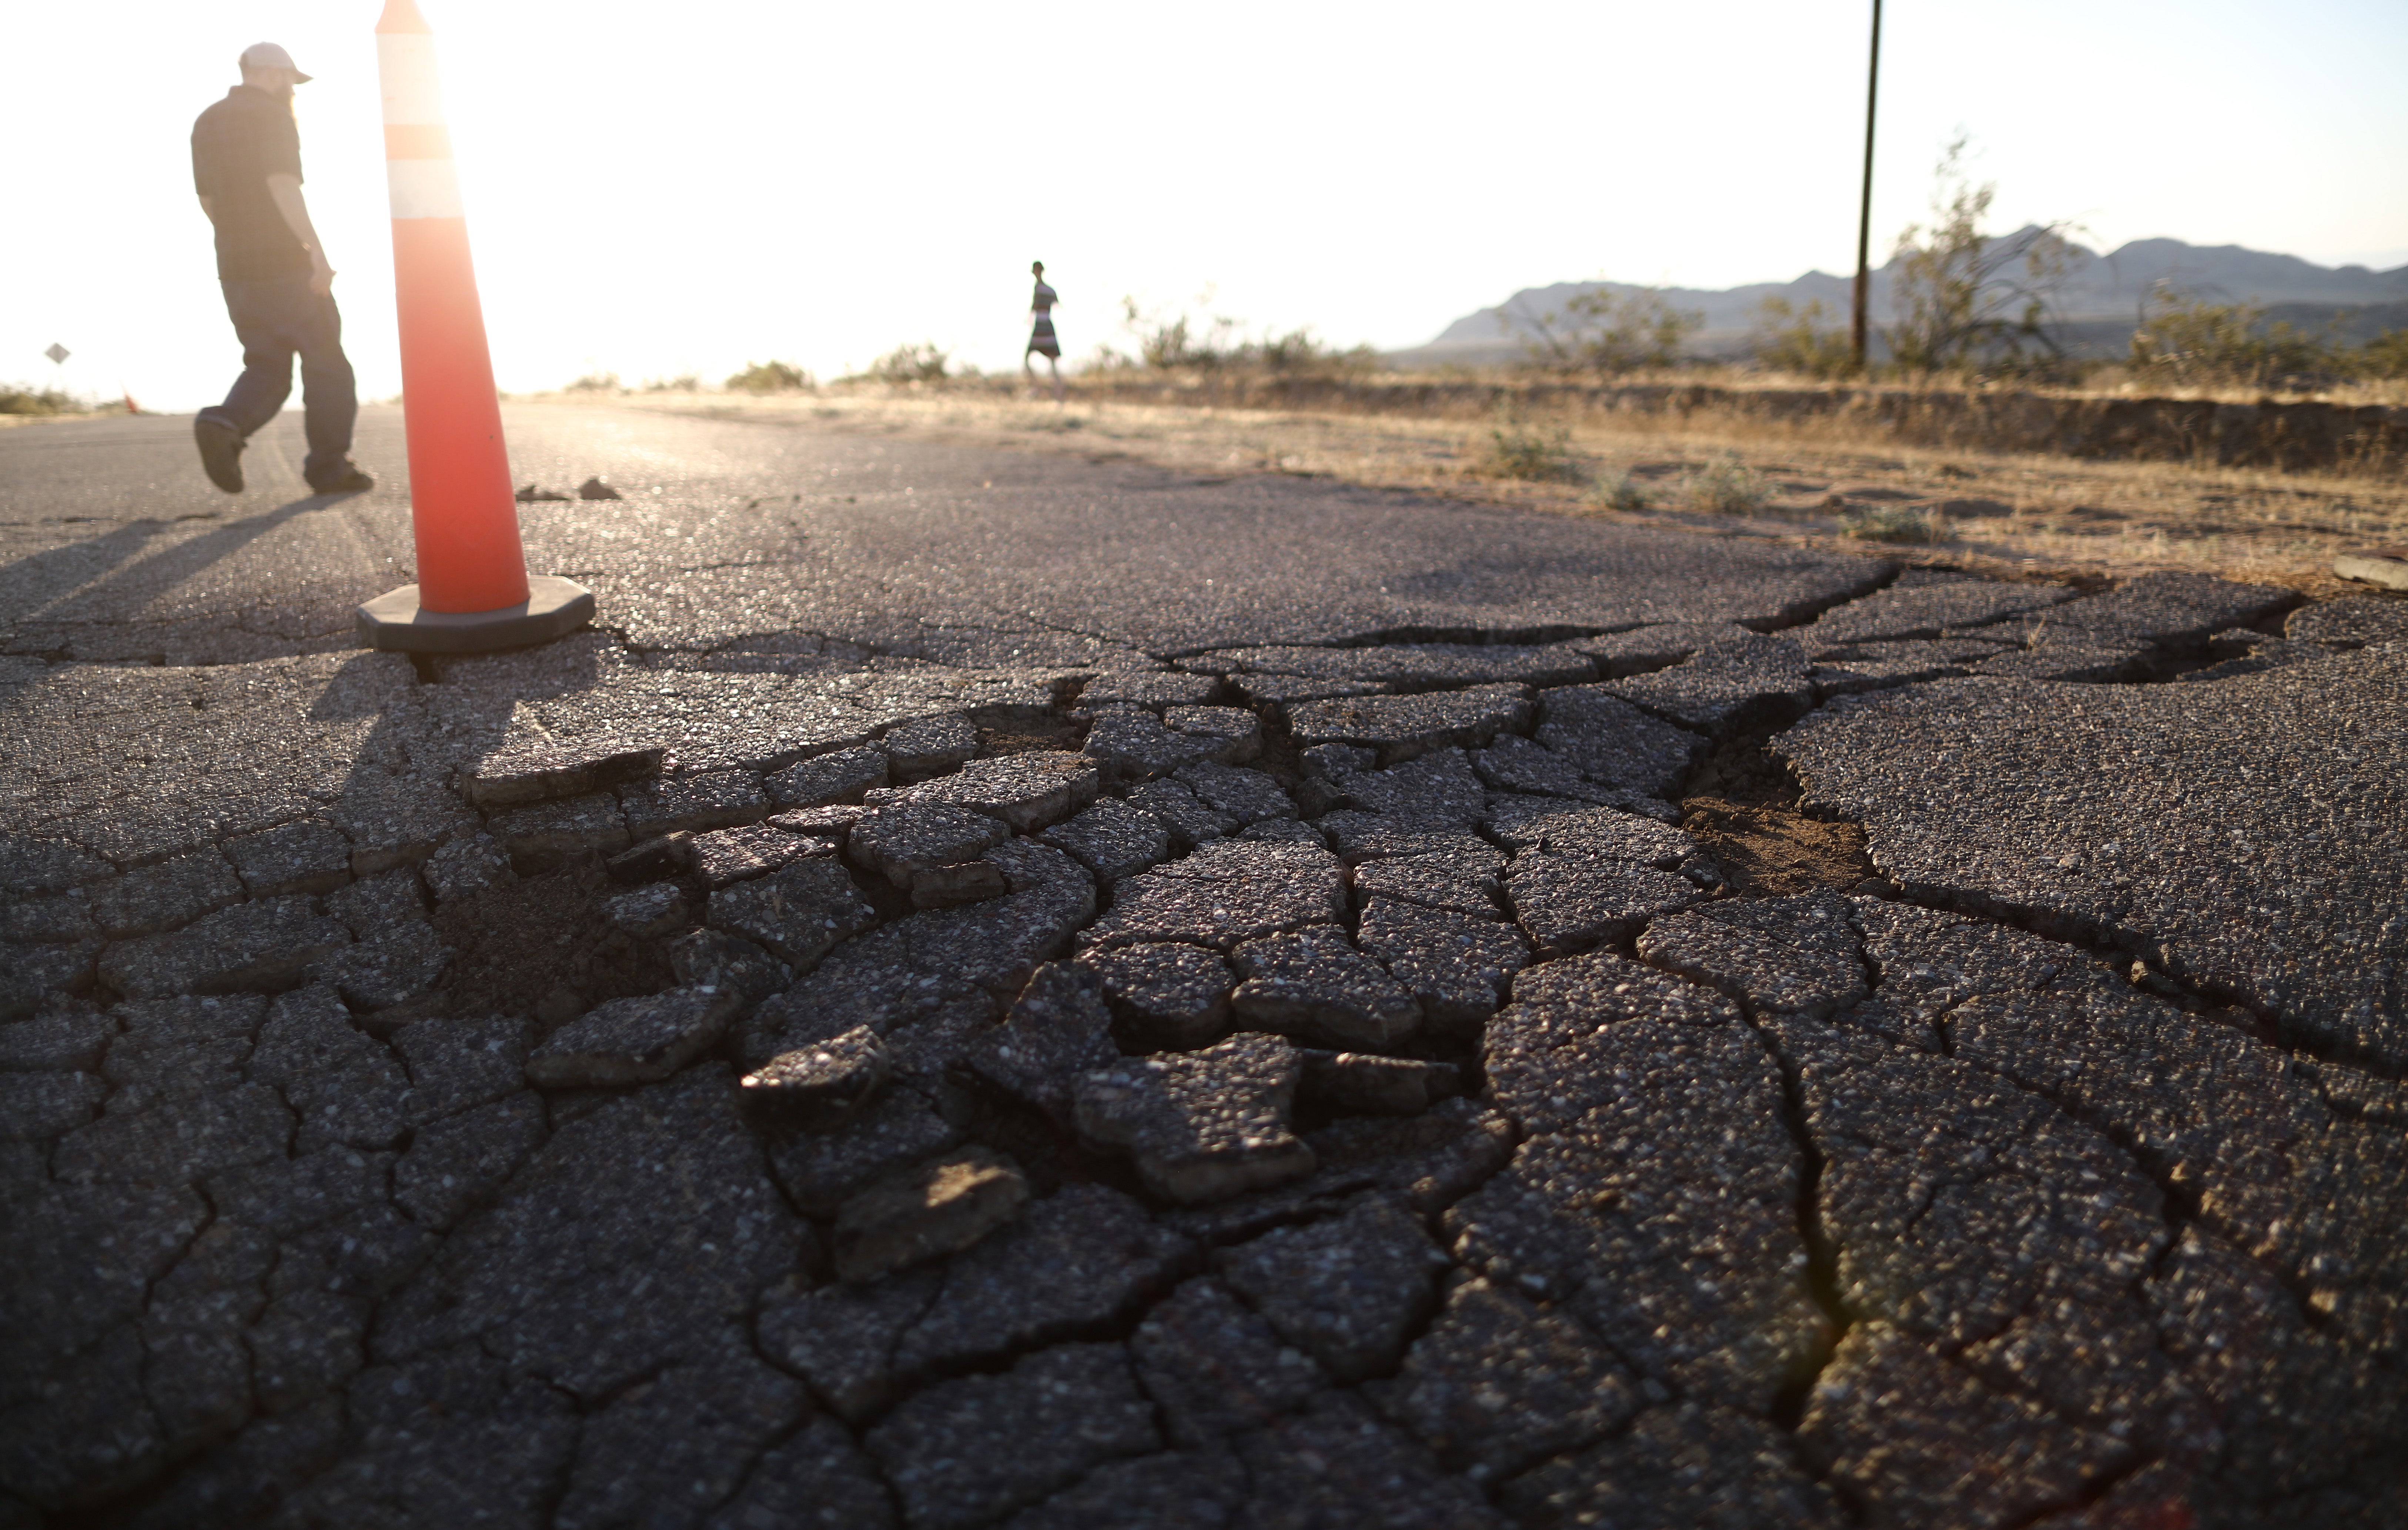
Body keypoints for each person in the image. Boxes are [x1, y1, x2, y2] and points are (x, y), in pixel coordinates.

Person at [189, 42, 372, 495]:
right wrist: (315, 251)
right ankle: (330, 469)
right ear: (274, 73)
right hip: (286, 263)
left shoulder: (207, 120)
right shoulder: (272, 116)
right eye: (291, 79)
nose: (292, 88)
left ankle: (225, 421)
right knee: (327, 364)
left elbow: (207, 201)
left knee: (267, 365)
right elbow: (282, 184)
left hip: (235, 266)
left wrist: (239, 244)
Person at [1023, 261, 1064, 402]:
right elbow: (1058, 304)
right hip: (1048, 326)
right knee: (1052, 364)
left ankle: (1037, 388)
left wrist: (1030, 317)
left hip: (1041, 326)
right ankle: (1059, 398)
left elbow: (1034, 307)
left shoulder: (1039, 289)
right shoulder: (1050, 290)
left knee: (1028, 358)